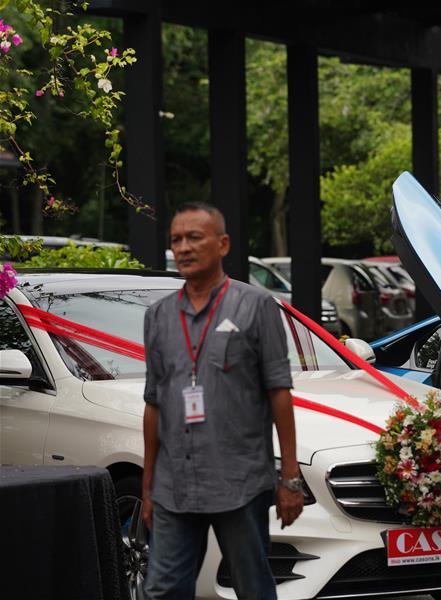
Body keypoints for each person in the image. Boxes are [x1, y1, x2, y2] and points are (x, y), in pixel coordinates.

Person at [142, 202, 303, 599]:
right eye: (176, 240)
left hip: (239, 481)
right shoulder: (158, 316)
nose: (183, 248)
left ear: (223, 244)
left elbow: (279, 393)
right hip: (173, 485)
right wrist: (148, 487)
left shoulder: (256, 306)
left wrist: (290, 479)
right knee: (162, 590)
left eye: (194, 237)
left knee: (252, 587)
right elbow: (154, 403)